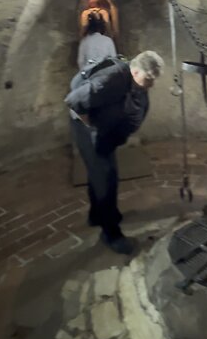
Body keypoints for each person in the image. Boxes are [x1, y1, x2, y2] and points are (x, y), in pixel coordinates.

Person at [65, 50, 164, 254]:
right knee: (106, 179)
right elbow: (74, 101)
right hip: (90, 132)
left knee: (99, 174)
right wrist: (91, 128)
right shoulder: (111, 80)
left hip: (104, 133)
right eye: (149, 79)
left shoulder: (132, 81)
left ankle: (96, 215)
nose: (152, 85)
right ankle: (111, 233)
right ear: (135, 72)